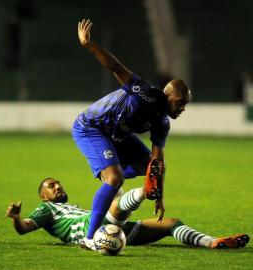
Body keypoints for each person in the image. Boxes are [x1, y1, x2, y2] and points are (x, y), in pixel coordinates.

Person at [72, 19, 192, 248]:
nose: (182, 108)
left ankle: (107, 176)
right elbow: (116, 67)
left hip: (117, 135)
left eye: (185, 104)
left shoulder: (162, 123)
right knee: (115, 178)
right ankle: (88, 239)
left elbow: (157, 163)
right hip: (91, 127)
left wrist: (160, 196)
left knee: (145, 167)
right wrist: (89, 45)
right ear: (167, 96)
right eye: (179, 102)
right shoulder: (145, 93)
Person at [5, 178, 250, 250]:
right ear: (43, 196)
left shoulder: (72, 206)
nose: (58, 187)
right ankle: (146, 189)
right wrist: (17, 217)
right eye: (51, 186)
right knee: (116, 204)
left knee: (169, 223)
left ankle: (213, 242)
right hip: (93, 232)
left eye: (59, 184)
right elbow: (25, 228)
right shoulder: (46, 208)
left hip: (111, 231)